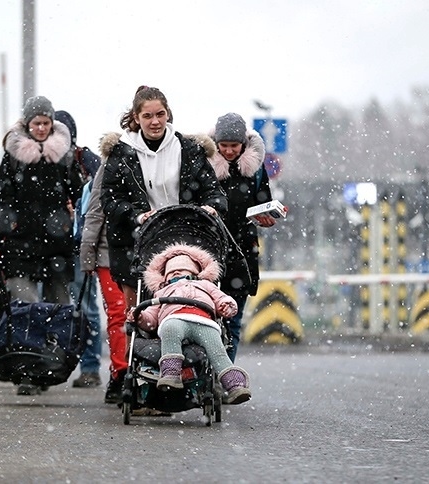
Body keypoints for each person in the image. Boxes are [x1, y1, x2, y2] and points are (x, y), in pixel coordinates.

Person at [100, 85, 227, 312]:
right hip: (136, 244)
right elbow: (110, 200)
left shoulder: (189, 149)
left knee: (186, 307)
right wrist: (137, 216)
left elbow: (214, 191)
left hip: (184, 241)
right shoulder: (121, 154)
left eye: (160, 114)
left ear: (168, 114)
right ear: (137, 119)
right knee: (136, 316)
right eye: (147, 116)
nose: (155, 121)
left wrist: (210, 207)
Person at [0, 96, 83, 395]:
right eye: (37, 123)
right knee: (24, 307)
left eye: (46, 123)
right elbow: (2, 197)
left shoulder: (64, 154)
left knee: (59, 306)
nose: (42, 128)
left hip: (56, 242)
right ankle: (25, 370)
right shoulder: (14, 156)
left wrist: (70, 217)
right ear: (27, 125)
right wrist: (7, 229)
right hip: (21, 244)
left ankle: (52, 362)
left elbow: (76, 192)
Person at [130, 243, 251, 405]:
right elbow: (151, 318)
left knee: (217, 350)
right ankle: (171, 373)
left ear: (195, 272)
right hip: (174, 319)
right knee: (169, 330)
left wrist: (226, 305)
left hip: (204, 321)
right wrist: (140, 317)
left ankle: (235, 385)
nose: (176, 272)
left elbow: (221, 298)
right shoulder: (162, 292)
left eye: (182, 269)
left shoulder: (205, 285)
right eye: (171, 271)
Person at [208, 113, 276, 361]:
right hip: (210, 249)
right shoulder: (205, 167)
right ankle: (210, 371)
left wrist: (266, 215)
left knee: (233, 319)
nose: (228, 151)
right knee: (208, 317)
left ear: (243, 145)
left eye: (233, 146)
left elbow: (263, 200)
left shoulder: (255, 169)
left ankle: (226, 375)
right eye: (223, 146)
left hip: (243, 249)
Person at [54, 109, 103, 389]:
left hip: (79, 245)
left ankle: (91, 367)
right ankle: (54, 361)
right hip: (52, 247)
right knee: (56, 307)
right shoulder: (43, 160)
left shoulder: (87, 162)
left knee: (86, 308)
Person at [79, 164, 128, 403]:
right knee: (119, 314)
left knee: (129, 315)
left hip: (150, 251)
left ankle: (132, 373)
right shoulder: (113, 163)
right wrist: (88, 255)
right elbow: (96, 211)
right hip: (111, 254)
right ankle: (120, 373)